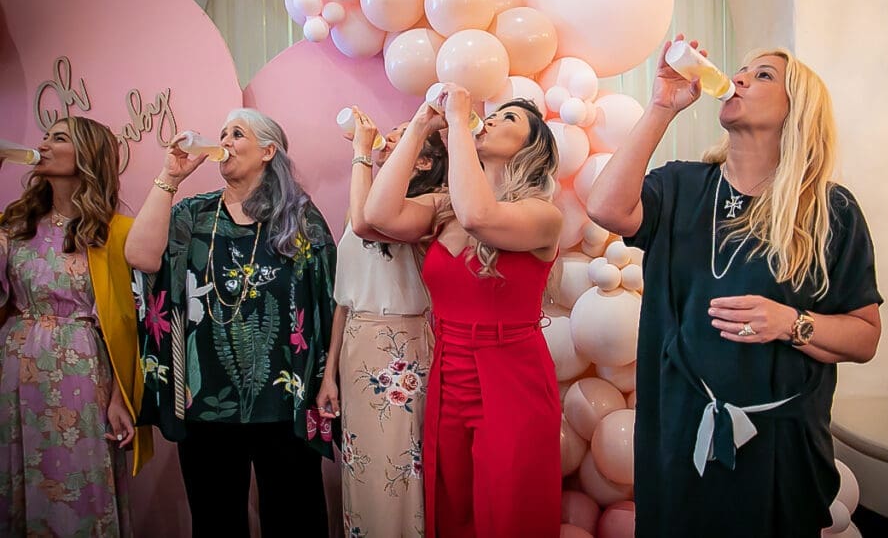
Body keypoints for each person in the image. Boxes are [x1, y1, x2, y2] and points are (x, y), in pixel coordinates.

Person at [587, 38, 883, 537]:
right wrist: (662, 105)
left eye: (763, 75)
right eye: (741, 70)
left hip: (780, 447)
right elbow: (605, 209)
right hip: (681, 435)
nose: (739, 77)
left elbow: (866, 337)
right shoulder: (681, 186)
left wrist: (791, 322)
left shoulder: (831, 210)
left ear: (798, 109)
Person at [125, 108, 336, 537]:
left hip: (286, 400)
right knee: (215, 518)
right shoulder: (193, 214)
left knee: (295, 515)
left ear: (266, 151)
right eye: (222, 132)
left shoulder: (299, 217)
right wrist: (169, 177)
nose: (224, 140)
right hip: (206, 401)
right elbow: (141, 257)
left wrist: (328, 376)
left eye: (237, 133)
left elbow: (328, 303)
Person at [364, 89, 563, 538]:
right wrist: (420, 125)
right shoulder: (443, 206)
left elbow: (479, 216)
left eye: (508, 119)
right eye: (488, 116)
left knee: (511, 512)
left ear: (533, 147)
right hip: (448, 371)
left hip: (513, 376)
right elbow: (377, 213)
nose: (489, 121)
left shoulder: (542, 215)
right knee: (452, 508)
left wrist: (456, 120)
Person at [0, 116, 152, 536]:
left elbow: (131, 321)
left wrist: (123, 398)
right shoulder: (14, 225)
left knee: (74, 484)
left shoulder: (116, 231)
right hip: (13, 368)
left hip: (81, 372)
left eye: (59, 138)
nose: (44, 145)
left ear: (87, 155)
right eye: (45, 136)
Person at [315, 108, 447, 537]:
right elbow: (343, 298)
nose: (384, 143)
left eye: (399, 138)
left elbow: (366, 222)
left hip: (404, 349)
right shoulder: (366, 201)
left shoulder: (427, 208)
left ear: (424, 160)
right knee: (362, 463)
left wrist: (360, 155)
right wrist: (329, 373)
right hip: (357, 347)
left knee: (402, 462)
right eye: (386, 138)